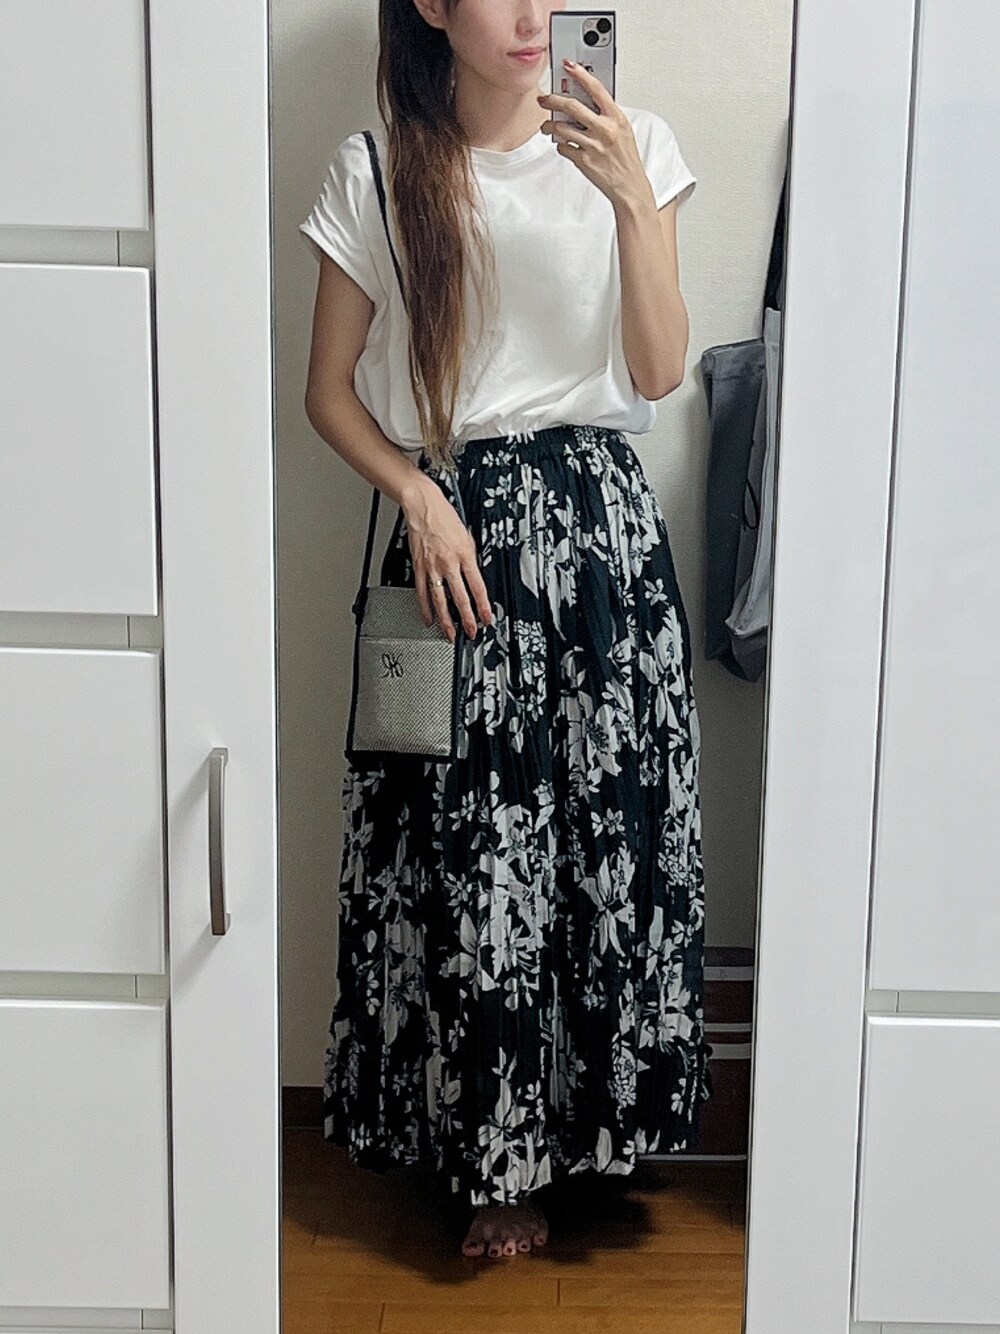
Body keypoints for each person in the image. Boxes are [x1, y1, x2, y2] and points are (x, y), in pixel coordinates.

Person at [299, 0, 713, 1263]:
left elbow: (657, 370)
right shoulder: (379, 168)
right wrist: (416, 492)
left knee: (606, 837)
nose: (534, 15)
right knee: (471, 848)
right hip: (455, 547)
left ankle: (597, 1133)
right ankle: (491, 1159)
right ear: (431, 6)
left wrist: (631, 198)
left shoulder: (634, 141)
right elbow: (327, 391)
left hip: (599, 544)